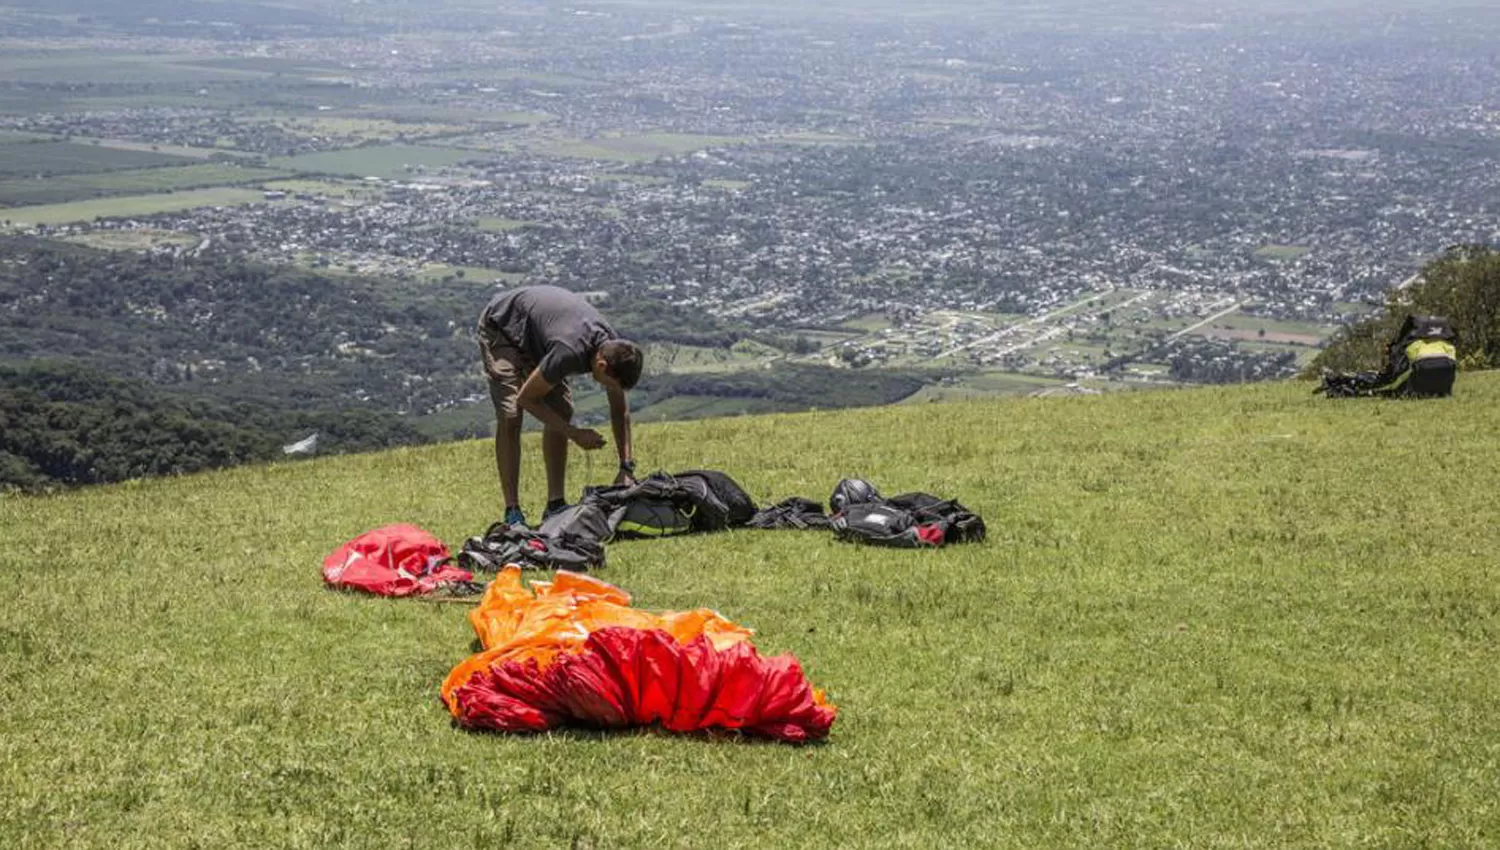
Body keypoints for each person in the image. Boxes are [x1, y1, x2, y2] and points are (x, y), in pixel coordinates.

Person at [477, 285, 644, 527]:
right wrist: (574, 434)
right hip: (503, 324)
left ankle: (555, 504)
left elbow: (620, 411)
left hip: (539, 337)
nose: (612, 390)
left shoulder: (615, 348)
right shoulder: (569, 351)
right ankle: (512, 511)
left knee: (561, 411)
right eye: (612, 384)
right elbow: (526, 398)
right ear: (601, 365)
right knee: (511, 414)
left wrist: (626, 466)